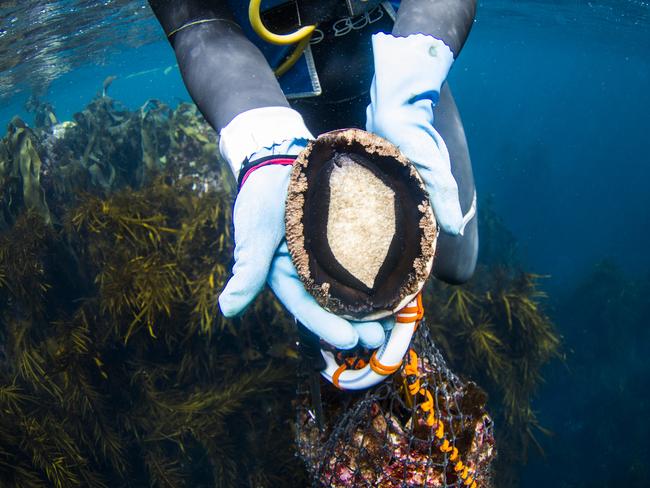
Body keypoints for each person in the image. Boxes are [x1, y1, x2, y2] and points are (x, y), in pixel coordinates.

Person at [148, 0, 478, 351]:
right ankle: (331, 355)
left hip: (404, 74)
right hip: (285, 101)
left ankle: (405, 100)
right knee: (311, 280)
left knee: (458, 262)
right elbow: (198, 19)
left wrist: (416, 71)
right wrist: (260, 135)